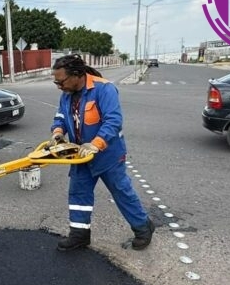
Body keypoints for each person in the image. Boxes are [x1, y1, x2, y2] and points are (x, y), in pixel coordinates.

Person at [49, 54, 154, 251]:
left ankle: (143, 228)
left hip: (108, 155)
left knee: (121, 191)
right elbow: (60, 118)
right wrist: (57, 134)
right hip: (80, 155)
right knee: (78, 194)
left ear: (77, 75)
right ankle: (79, 234)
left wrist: (95, 145)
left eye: (60, 81)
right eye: (56, 82)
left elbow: (113, 121)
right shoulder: (66, 95)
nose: (58, 86)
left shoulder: (104, 89)